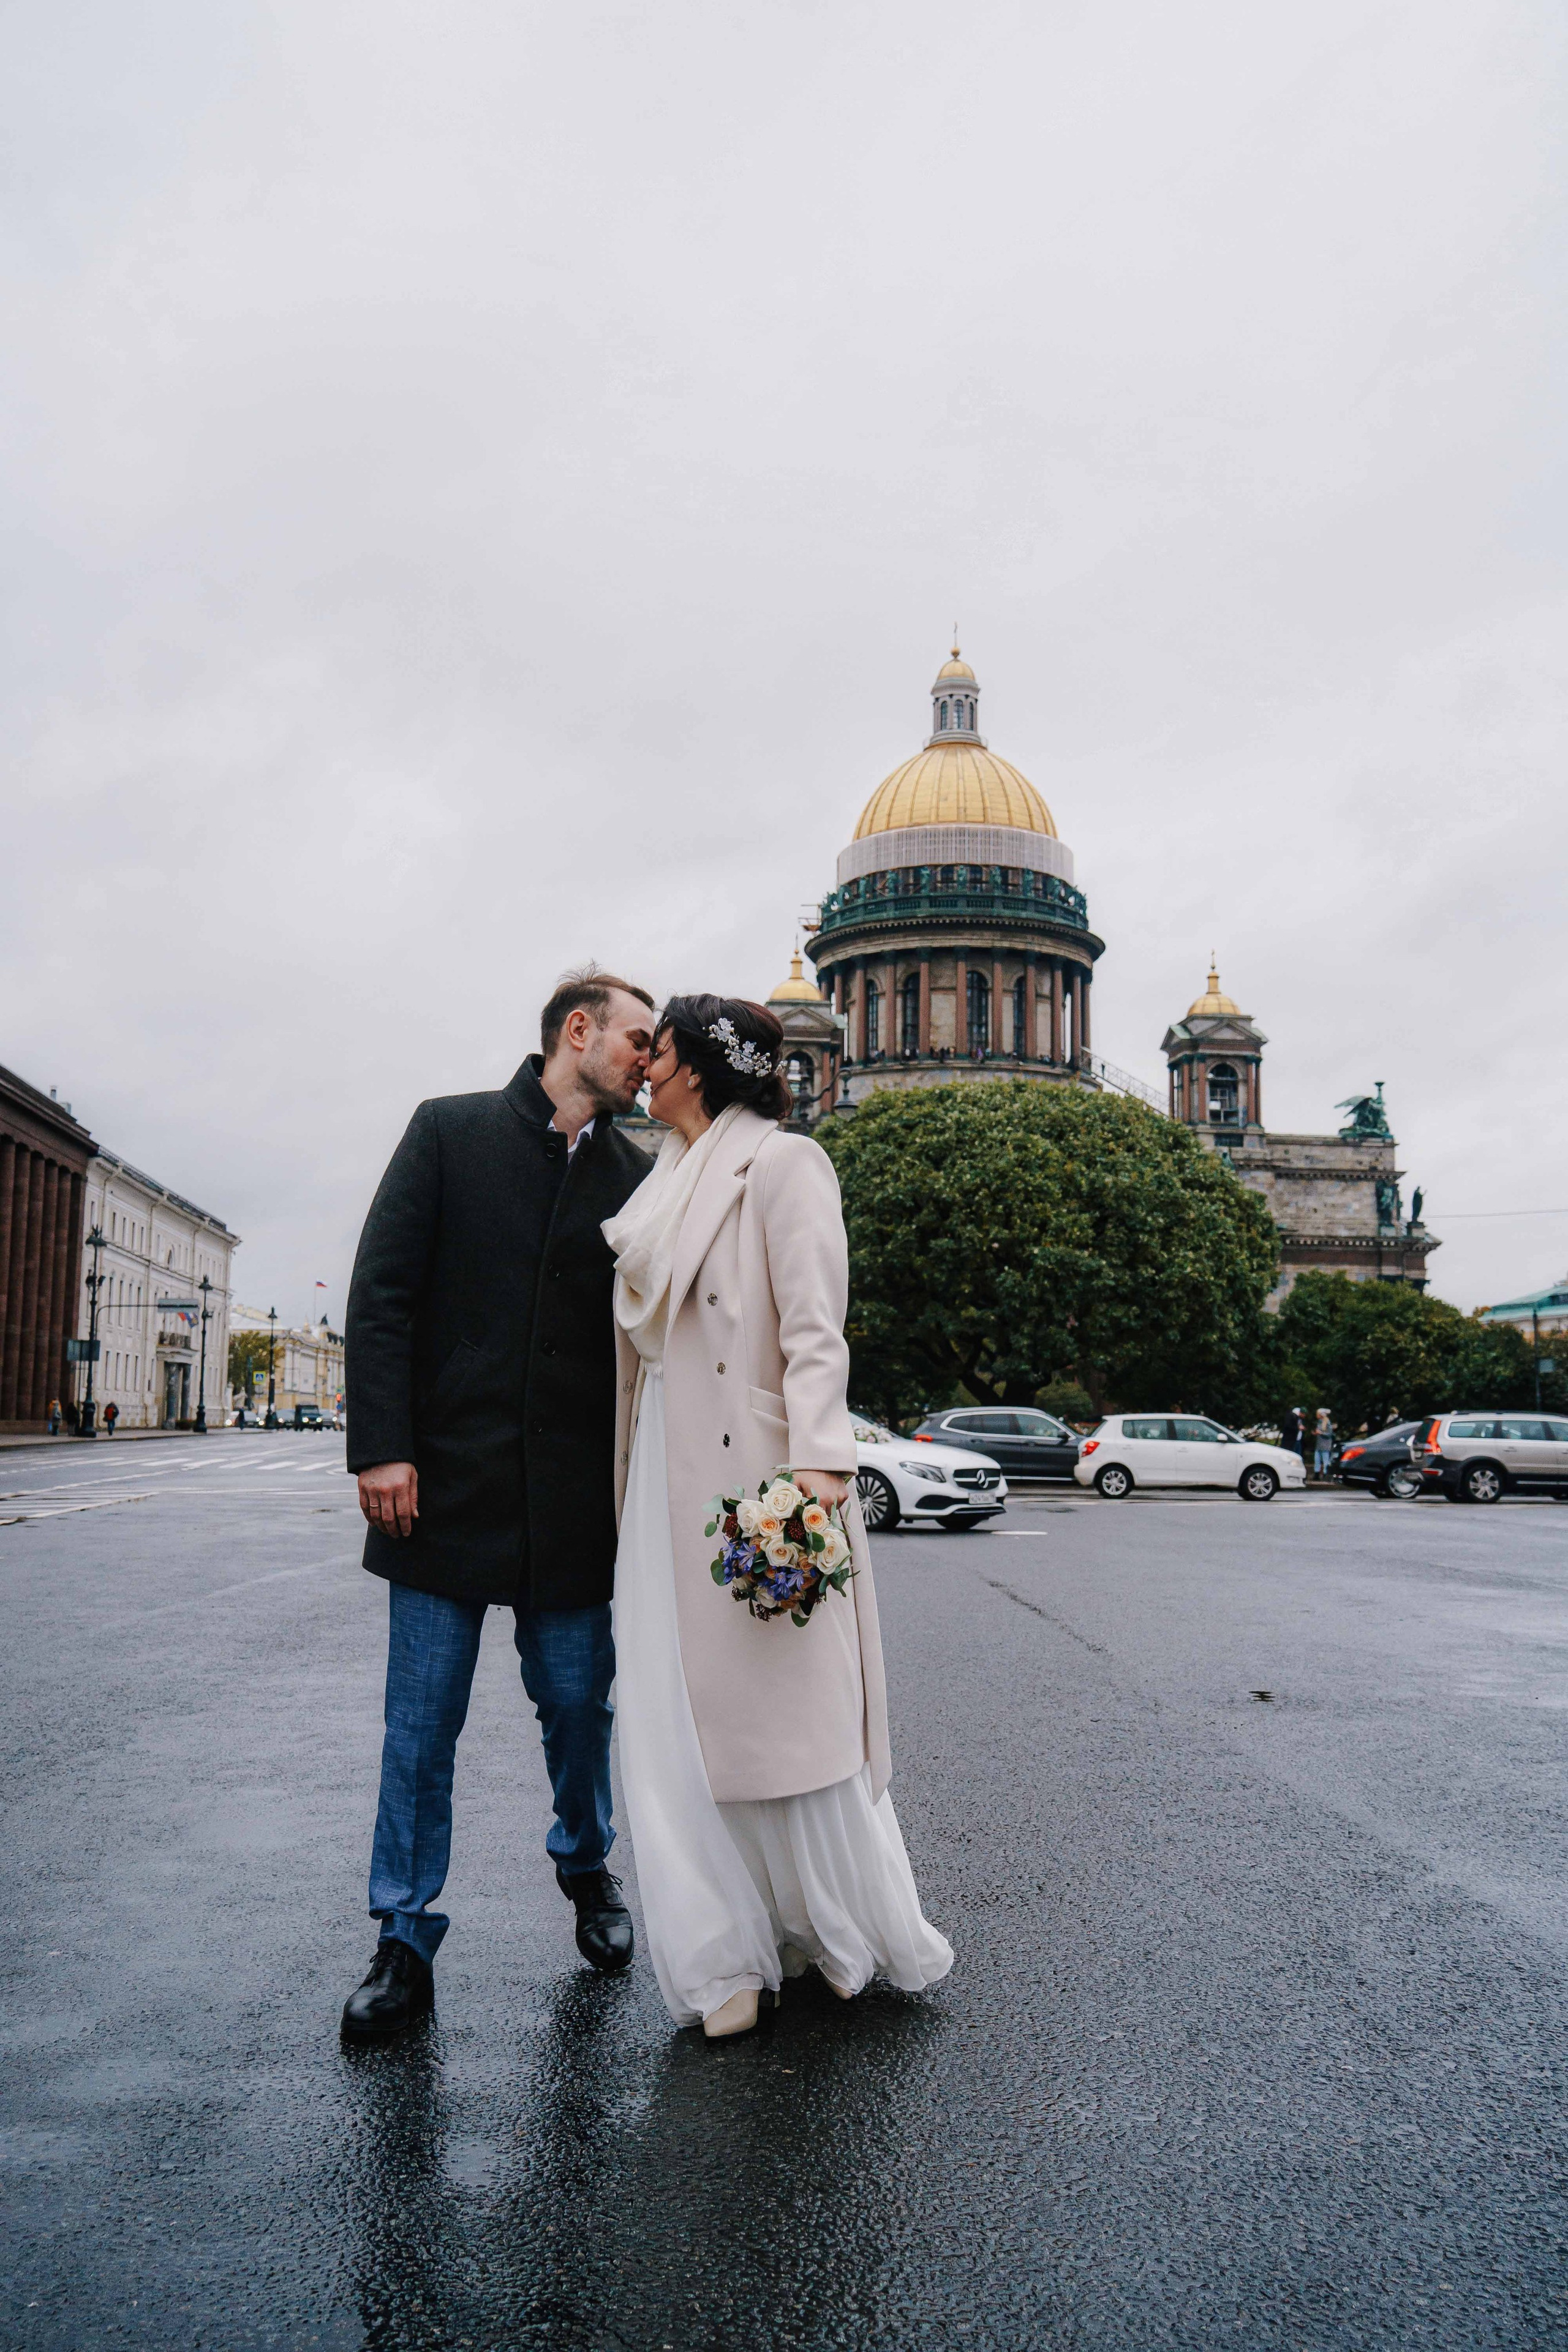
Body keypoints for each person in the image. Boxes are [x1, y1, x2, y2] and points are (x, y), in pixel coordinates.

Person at [603, 993, 952, 2041]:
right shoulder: (663, 1177)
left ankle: (831, 1930)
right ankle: (724, 1961)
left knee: (787, 1730)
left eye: (655, 1051)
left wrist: (821, 1474)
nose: (640, 1067)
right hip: (662, 1472)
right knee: (672, 1727)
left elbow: (815, 1329)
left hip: (754, 1481)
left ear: (700, 1066)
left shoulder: (786, 1165)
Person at [339, 967, 655, 2041]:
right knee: (421, 1731)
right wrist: (380, 1448)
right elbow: (381, 1296)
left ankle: (586, 1867)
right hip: (438, 1498)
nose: (648, 1061)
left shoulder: (642, 1173)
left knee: (577, 1711)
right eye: (636, 1040)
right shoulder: (450, 1132)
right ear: (579, 1031)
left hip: (574, 1513)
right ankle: (402, 1937)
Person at [1313, 1406, 1334, 1479]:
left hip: (1325, 1445)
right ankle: (1316, 1474)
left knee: (1326, 1461)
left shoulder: (1327, 1423)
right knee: (1317, 1460)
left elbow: (1329, 1434)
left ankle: (1325, 1474)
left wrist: (1321, 1433)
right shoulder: (1319, 1422)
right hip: (1319, 1444)